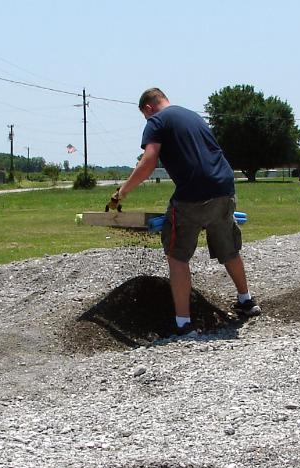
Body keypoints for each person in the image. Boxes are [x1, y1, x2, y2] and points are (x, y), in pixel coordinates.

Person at [107, 88, 260, 336]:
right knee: (228, 248)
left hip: (192, 195)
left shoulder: (156, 121)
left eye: (144, 116)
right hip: (224, 188)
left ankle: (183, 323)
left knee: (178, 257)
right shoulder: (193, 116)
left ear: (147, 108)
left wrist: (120, 193)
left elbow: (148, 162)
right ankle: (247, 301)